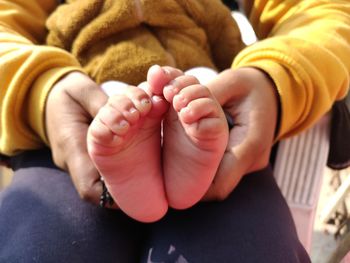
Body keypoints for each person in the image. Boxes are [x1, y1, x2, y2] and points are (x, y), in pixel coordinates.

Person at [0, 0, 349, 262]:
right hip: (85, 114)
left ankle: (180, 144)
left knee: (196, 92)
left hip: (208, 113)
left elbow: (317, 15)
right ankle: (147, 157)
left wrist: (272, 76)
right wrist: (39, 85)